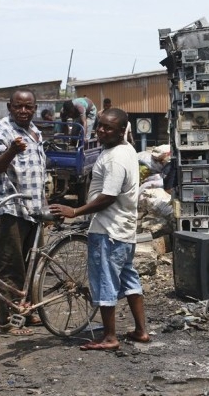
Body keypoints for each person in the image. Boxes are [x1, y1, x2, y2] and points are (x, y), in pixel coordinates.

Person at [49, 108, 149, 350]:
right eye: (100, 126)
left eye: (109, 128)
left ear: (122, 130)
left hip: (109, 230)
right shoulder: (125, 150)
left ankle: (110, 337)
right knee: (129, 279)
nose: (102, 131)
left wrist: (75, 211)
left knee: (105, 281)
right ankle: (141, 331)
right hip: (123, 231)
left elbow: (108, 196)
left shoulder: (116, 157)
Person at [0, 89, 47, 336]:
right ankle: (7, 320)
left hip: (34, 210)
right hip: (9, 208)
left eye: (28, 107)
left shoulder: (36, 132)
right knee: (10, 267)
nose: (23, 111)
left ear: (35, 107)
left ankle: (26, 312)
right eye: (18, 107)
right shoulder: (0, 130)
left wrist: (45, 205)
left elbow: (39, 174)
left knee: (33, 265)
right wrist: (11, 151)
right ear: (9, 107)